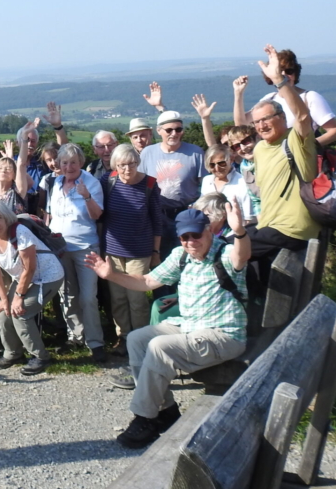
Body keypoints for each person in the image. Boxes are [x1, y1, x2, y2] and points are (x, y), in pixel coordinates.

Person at [85, 204, 249, 448]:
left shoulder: (224, 253)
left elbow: (241, 256)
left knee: (160, 347)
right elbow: (147, 281)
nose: (191, 242)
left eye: (196, 235)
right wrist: (111, 275)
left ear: (208, 231)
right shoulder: (181, 256)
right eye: (185, 237)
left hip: (223, 334)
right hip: (190, 327)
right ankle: (167, 411)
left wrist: (240, 232)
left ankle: (144, 418)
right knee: (137, 339)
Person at [244, 44, 322, 294]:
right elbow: (239, 128)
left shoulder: (296, 141)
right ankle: (254, 314)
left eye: (267, 119)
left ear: (281, 118)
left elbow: (302, 116)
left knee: (231, 252)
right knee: (255, 271)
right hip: (270, 225)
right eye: (257, 122)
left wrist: (279, 80)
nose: (261, 125)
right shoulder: (260, 148)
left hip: (291, 228)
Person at [0, 198, 62, 375]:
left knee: (20, 312)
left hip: (47, 275)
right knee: (3, 313)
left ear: (7, 218)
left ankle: (40, 356)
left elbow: (29, 267)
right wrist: (3, 300)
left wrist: (19, 297)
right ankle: (13, 353)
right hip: (23, 277)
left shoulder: (20, 232)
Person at [40, 143, 107, 362]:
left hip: (85, 247)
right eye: (65, 163)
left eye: (73, 163)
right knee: (67, 295)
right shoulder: (56, 183)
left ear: (81, 163)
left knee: (88, 297)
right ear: (59, 164)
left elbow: (97, 215)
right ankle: (75, 337)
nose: (69, 167)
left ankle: (96, 343)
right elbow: (50, 215)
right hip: (61, 248)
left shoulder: (91, 182)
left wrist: (87, 196)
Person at [98, 143, 162, 368]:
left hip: (140, 251)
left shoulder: (150, 184)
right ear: (115, 165)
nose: (127, 169)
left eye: (132, 164)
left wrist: (155, 251)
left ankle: (141, 340)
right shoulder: (108, 181)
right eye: (122, 165)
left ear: (138, 162)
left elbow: (157, 221)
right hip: (112, 251)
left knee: (137, 300)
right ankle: (124, 338)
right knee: (118, 299)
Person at [232, 48, 336, 146]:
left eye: (289, 71)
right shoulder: (270, 99)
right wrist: (238, 94)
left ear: (295, 73)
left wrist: (306, 148)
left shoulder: (310, 97)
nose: (284, 75)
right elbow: (241, 125)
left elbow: (334, 131)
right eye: (279, 71)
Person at [139, 110, 206, 266]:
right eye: (169, 130)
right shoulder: (148, 153)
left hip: (185, 216)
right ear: (159, 131)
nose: (174, 133)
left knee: (187, 261)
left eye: (178, 129)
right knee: (159, 262)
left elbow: (206, 185)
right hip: (156, 216)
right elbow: (140, 184)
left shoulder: (195, 152)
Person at [201, 144, 254, 225]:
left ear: (231, 159)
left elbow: (248, 218)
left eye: (221, 163)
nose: (217, 168)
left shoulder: (242, 182)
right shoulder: (206, 181)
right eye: (212, 165)